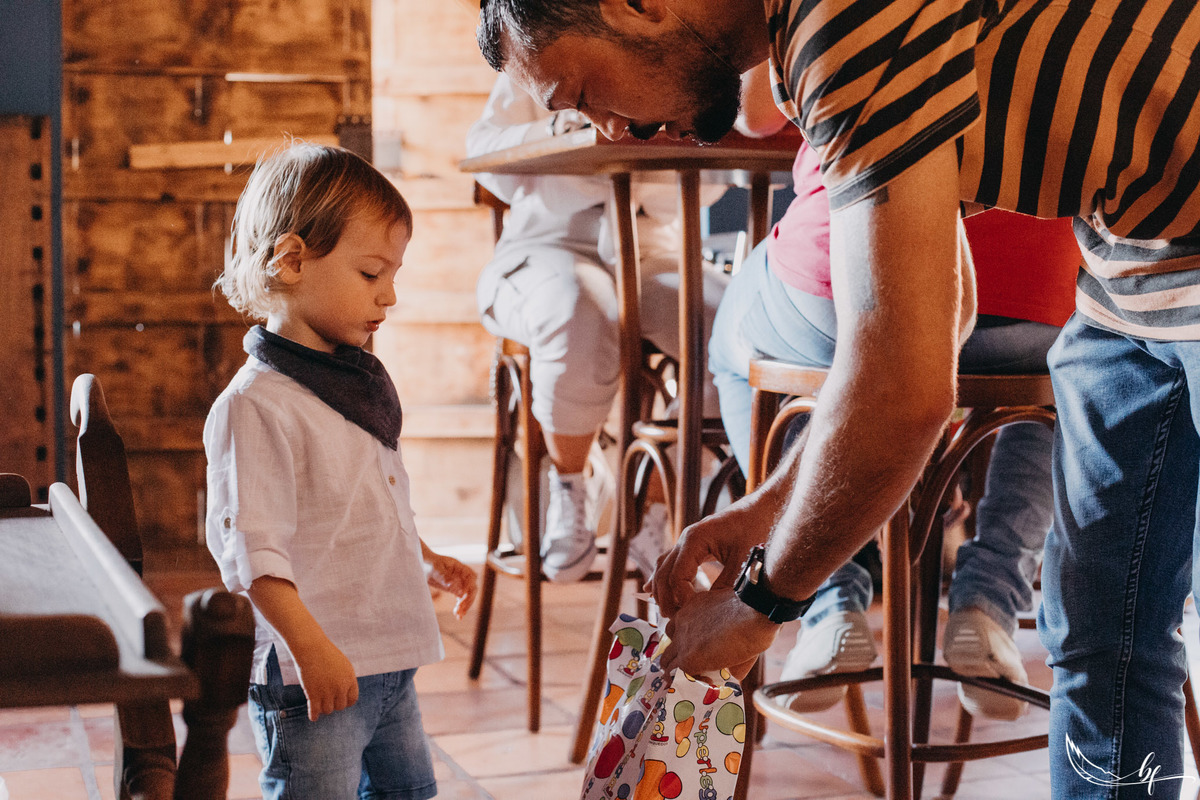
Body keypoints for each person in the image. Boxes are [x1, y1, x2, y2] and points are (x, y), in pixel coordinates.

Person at [476, 0, 1200, 794]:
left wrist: (759, 605)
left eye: (580, 90)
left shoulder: (841, 20)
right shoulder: (804, 40)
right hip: (1131, 267)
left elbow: (904, 390)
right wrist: (769, 513)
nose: (605, 129)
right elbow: (940, 310)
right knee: (1103, 636)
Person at [713, 93, 1078, 717]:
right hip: (1042, 292)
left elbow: (751, 113)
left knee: (732, 347)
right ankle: (991, 598)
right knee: (1064, 386)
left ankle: (828, 600)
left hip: (855, 279)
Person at [205, 143, 477, 799]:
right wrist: (311, 649)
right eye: (371, 272)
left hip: (387, 660)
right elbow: (251, 553)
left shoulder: (352, 383)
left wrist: (427, 556)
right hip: (316, 673)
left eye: (394, 274)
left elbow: (369, 502)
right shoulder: (258, 405)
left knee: (407, 794)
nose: (390, 295)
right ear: (293, 260)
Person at [468, 72, 729, 582]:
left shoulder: (679, 55)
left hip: (654, 248)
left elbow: (713, 180)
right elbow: (483, 148)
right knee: (581, 310)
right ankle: (571, 484)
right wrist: (564, 133)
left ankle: (653, 508)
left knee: (736, 328)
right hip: (549, 243)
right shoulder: (544, 48)